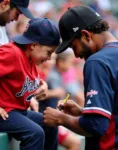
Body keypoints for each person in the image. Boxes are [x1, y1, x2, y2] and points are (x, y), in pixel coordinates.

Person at [43, 5, 118, 150]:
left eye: (74, 46)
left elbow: (95, 126)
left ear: (86, 35)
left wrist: (60, 118)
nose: (75, 55)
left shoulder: (98, 61)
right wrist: (83, 112)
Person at [0, 17, 60, 150]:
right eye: (49, 52)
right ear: (33, 45)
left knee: (50, 124)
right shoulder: (12, 53)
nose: (49, 58)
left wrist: (42, 85)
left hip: (17, 111)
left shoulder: (31, 58)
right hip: (5, 112)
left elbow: (25, 79)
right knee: (35, 133)